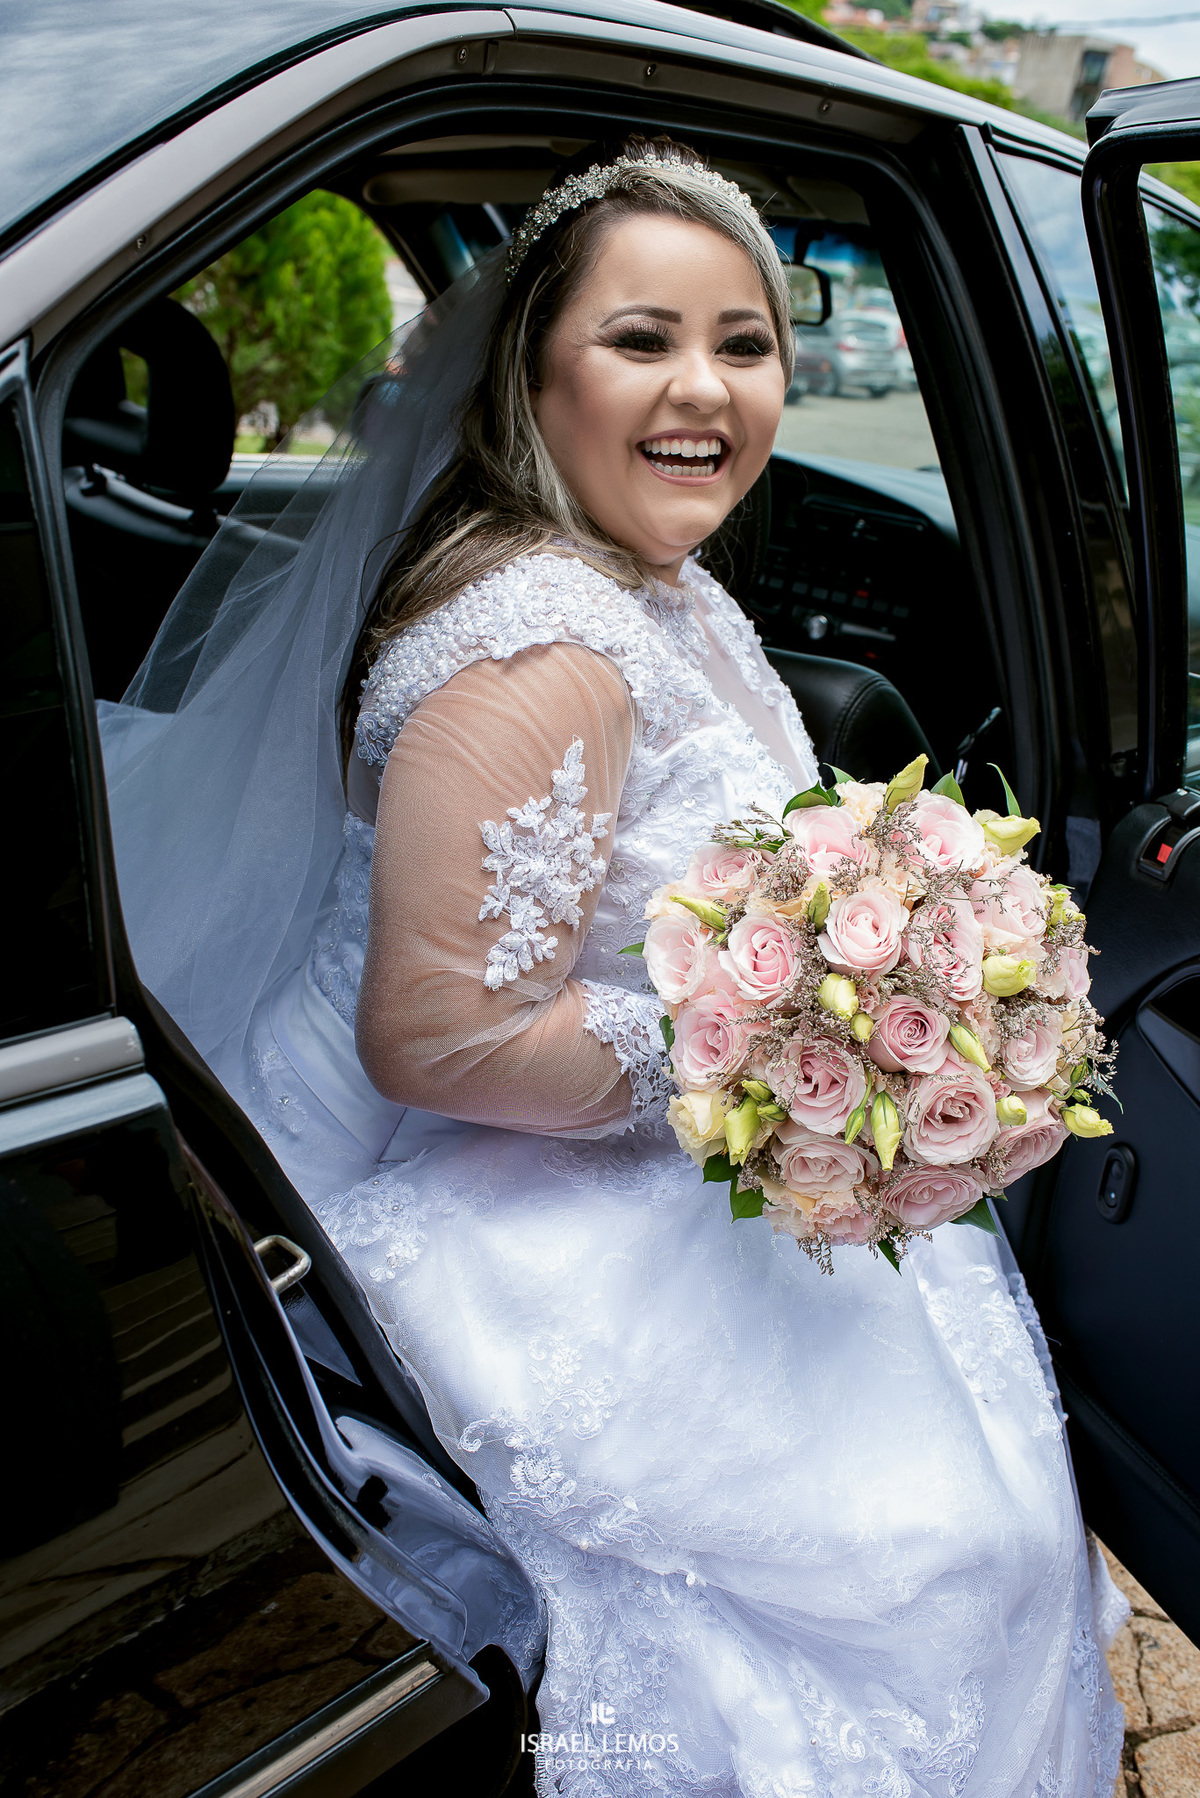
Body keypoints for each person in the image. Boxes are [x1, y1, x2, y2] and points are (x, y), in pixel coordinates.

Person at [105, 137, 1127, 1795]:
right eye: (642, 338)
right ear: (535, 373)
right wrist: (787, 1042)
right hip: (500, 1186)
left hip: (640, 1153)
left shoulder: (657, 589)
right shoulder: (542, 648)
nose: (704, 386)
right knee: (927, 1553)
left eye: (745, 342)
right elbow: (437, 1038)